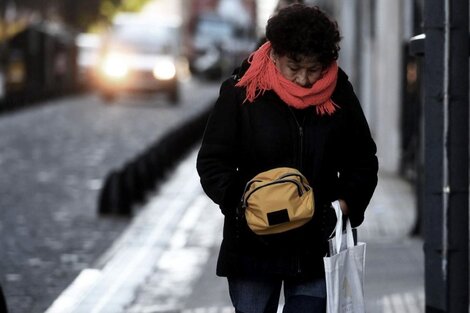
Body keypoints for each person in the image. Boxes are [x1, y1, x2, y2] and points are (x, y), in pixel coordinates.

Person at [197, 4, 378, 313]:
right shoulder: (241, 92)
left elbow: (363, 161)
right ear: (274, 55)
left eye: (314, 68)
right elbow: (213, 162)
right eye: (294, 68)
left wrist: (341, 209)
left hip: (317, 246)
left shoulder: (340, 94)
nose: (304, 80)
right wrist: (242, 203)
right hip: (253, 248)